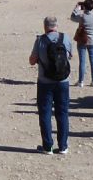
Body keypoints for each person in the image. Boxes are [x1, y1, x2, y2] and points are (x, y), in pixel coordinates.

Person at [29, 16, 73, 154]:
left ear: (45, 26)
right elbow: (70, 56)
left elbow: (32, 60)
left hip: (45, 82)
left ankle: (47, 146)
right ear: (56, 26)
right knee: (63, 113)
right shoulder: (65, 38)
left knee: (45, 113)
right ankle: (63, 146)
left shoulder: (40, 40)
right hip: (63, 81)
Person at [70, 0, 93, 85]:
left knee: (82, 61)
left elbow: (72, 17)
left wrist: (77, 8)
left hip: (82, 40)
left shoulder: (82, 17)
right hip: (92, 40)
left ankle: (81, 81)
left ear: (84, 6)